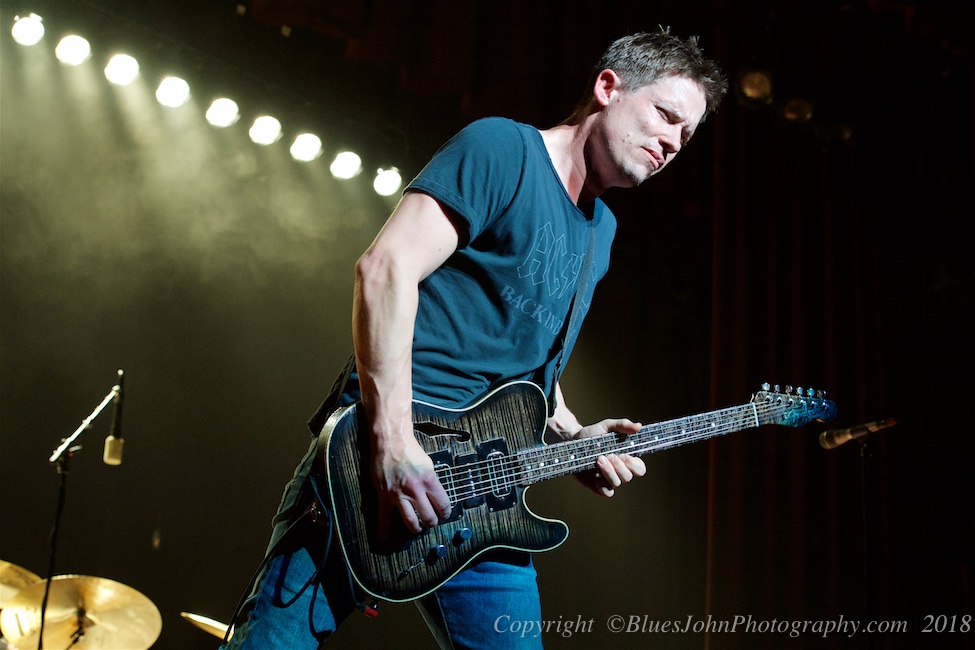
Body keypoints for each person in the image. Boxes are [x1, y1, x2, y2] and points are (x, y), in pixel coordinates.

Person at [222, 27, 727, 650]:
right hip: (378, 461)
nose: (674, 142)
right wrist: (393, 440)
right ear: (607, 87)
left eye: (687, 135)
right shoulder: (502, 149)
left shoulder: (602, 233)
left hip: (486, 498)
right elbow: (385, 269)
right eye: (667, 115)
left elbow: (529, 365)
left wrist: (572, 434)